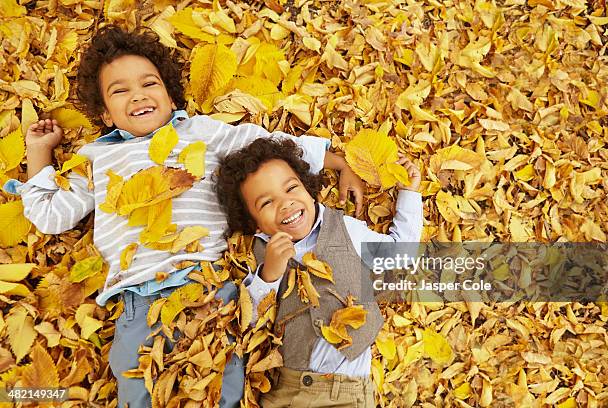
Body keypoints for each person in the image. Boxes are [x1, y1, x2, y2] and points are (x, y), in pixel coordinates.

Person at [10, 25, 365, 408]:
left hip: (209, 291)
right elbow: (50, 215)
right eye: (120, 91)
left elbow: (265, 146)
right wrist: (40, 152)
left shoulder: (199, 131)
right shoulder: (97, 158)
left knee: (222, 390)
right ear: (105, 114)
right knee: (136, 391)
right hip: (138, 299)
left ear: (168, 92)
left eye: (150, 84)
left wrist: (337, 161)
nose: (139, 95)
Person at [215, 138, 423, 407]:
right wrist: (269, 275)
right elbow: (251, 323)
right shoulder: (258, 254)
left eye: (292, 188)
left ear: (309, 190)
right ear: (254, 225)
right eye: (267, 203)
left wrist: (409, 193)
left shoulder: (343, 228)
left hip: (346, 392)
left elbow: (398, 257)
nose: (286, 203)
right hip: (285, 390)